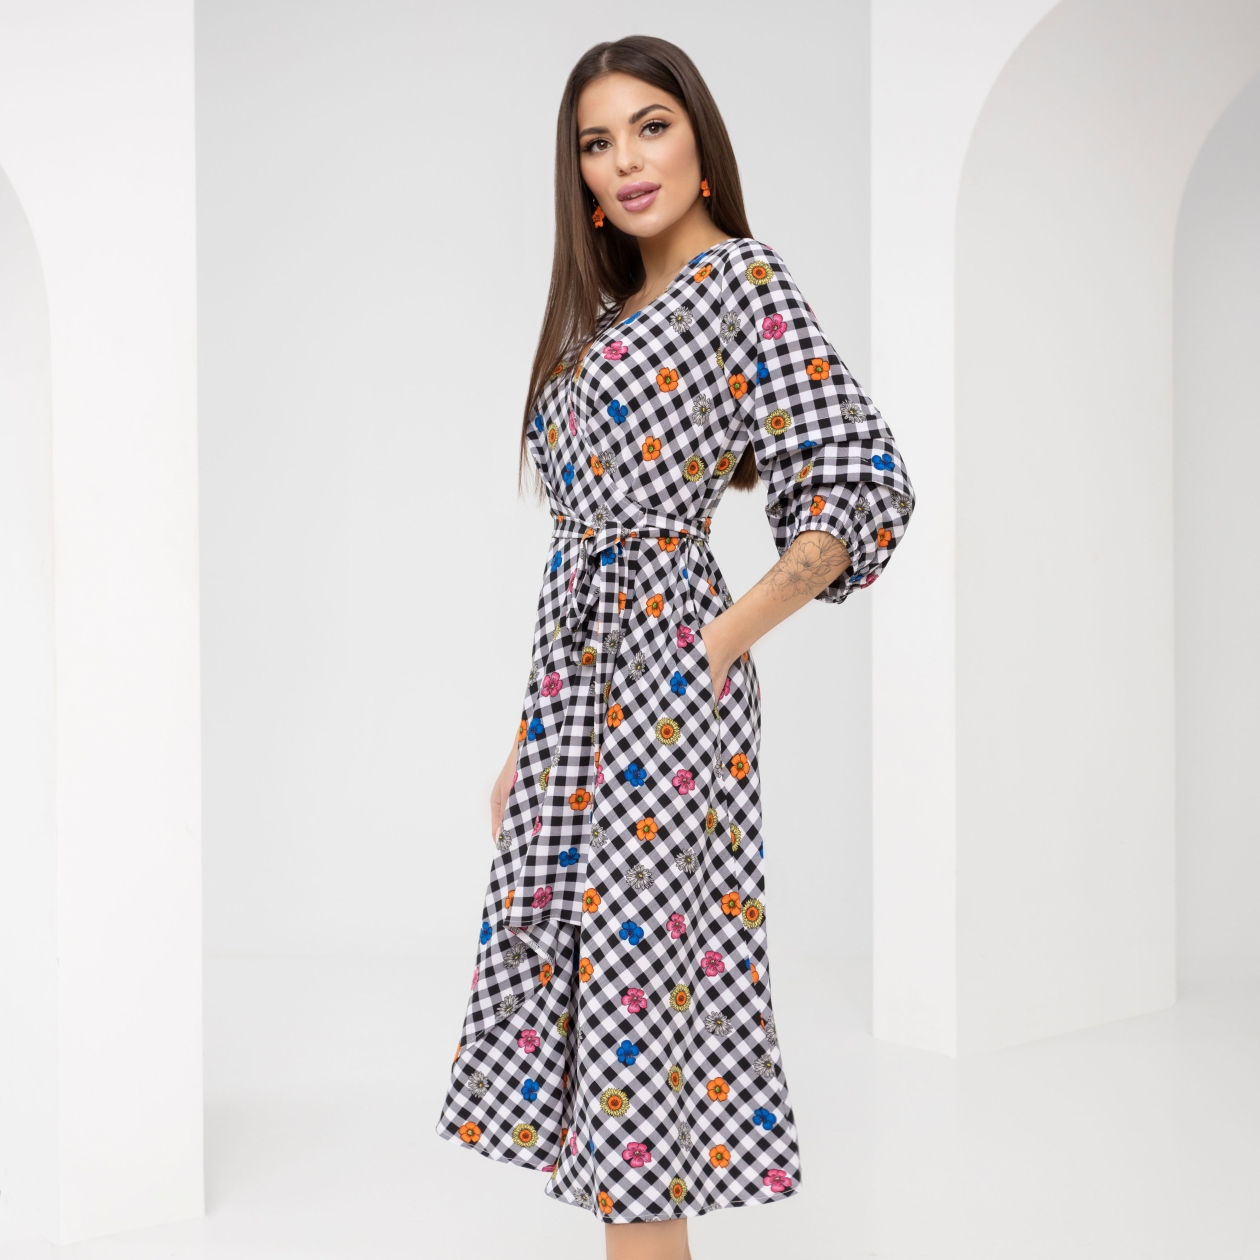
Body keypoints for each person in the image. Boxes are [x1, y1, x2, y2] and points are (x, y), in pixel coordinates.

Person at [436, 34, 914, 1260]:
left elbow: (864, 483)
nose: (627, 159)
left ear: (701, 142)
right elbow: (579, 568)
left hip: (665, 692)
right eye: (597, 143)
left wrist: (718, 639)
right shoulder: (603, 321)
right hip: (575, 705)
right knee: (591, 1024)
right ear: (581, 178)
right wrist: (529, 738)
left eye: (651, 126)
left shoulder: (742, 284)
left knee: (638, 1029)